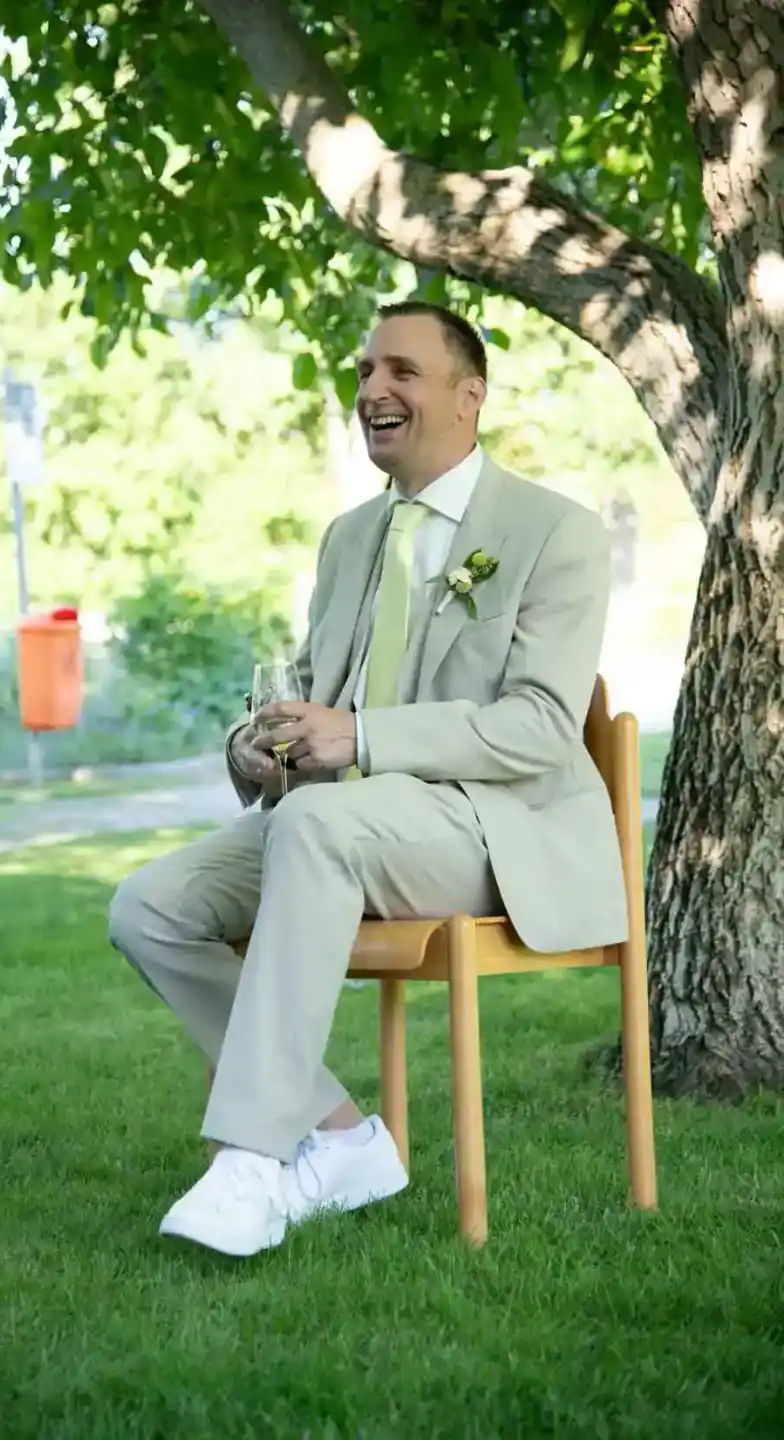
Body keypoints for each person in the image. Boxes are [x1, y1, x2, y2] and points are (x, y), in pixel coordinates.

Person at [109, 301, 627, 1257]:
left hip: (488, 831)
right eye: (363, 374)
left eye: (402, 371)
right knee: (148, 906)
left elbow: (545, 728)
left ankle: (249, 1161)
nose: (372, 392)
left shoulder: (557, 532)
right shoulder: (350, 538)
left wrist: (362, 737)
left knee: (315, 831)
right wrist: (256, 745)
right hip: (338, 824)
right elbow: (309, 690)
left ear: (470, 397)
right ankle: (343, 1136)